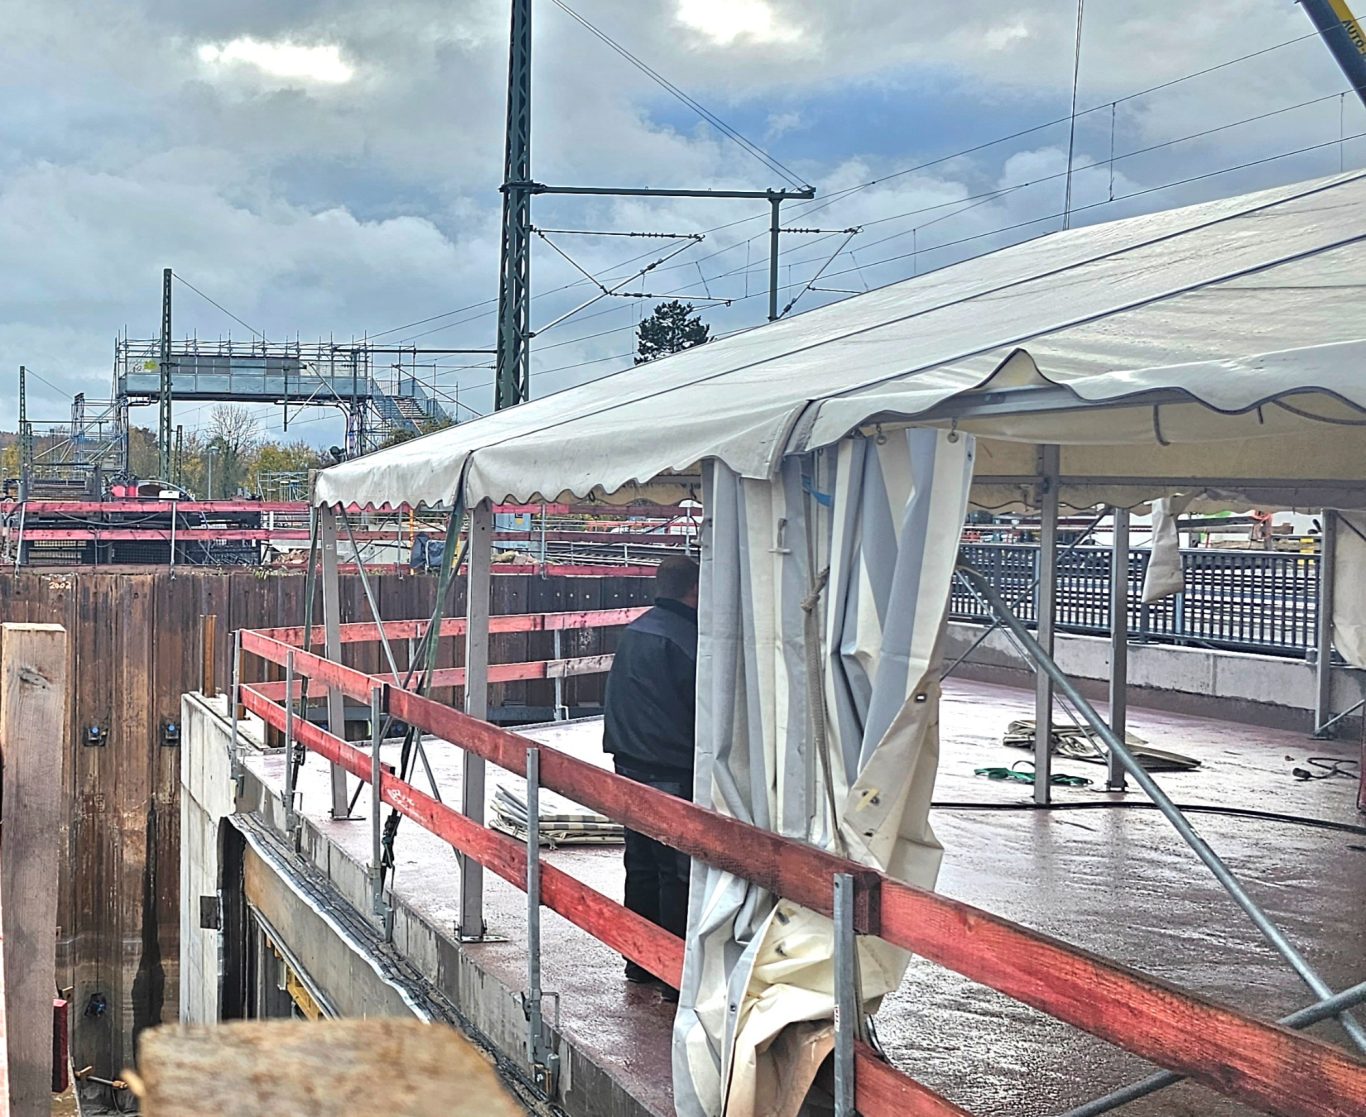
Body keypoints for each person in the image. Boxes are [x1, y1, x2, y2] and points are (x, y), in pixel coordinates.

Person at [603, 554, 699, 992]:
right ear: (694, 590)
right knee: (675, 870)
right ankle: (671, 971)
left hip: (628, 763)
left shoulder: (636, 630)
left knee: (639, 862)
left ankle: (637, 960)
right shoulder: (691, 640)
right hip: (672, 767)